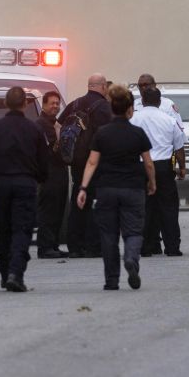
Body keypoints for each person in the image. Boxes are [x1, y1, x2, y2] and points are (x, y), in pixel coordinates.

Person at [76, 84, 156, 291]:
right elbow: (148, 162)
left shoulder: (102, 133)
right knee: (134, 231)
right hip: (133, 188)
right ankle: (130, 258)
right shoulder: (138, 133)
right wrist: (152, 183)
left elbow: (92, 162)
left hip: (106, 188)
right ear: (130, 109)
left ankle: (111, 280)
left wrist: (83, 187)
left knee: (108, 235)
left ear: (112, 108)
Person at [0, 87, 49, 292]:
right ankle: (16, 272)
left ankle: (5, 271)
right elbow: (44, 161)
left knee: (4, 229)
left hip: (2, 184)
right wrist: (41, 179)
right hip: (25, 183)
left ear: (6, 103)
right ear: (25, 104)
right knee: (22, 229)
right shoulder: (34, 130)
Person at [57, 73, 113, 258]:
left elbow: (58, 125)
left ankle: (74, 245)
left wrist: (66, 150)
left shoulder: (74, 103)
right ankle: (92, 245)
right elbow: (107, 136)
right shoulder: (104, 108)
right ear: (103, 87)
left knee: (77, 199)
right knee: (93, 202)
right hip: (95, 162)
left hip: (76, 161)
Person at [130, 86, 186, 256]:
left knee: (143, 208)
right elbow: (179, 147)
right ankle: (172, 247)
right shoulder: (168, 120)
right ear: (160, 101)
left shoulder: (134, 119)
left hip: (141, 167)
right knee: (168, 208)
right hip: (163, 168)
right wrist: (182, 168)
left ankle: (145, 247)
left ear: (143, 101)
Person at [35, 90, 70, 258]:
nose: (55, 106)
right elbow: (53, 149)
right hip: (49, 173)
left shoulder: (55, 123)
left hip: (60, 172)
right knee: (49, 210)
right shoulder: (41, 124)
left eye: (57, 103)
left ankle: (54, 245)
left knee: (58, 210)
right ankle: (45, 247)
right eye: (52, 103)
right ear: (44, 105)